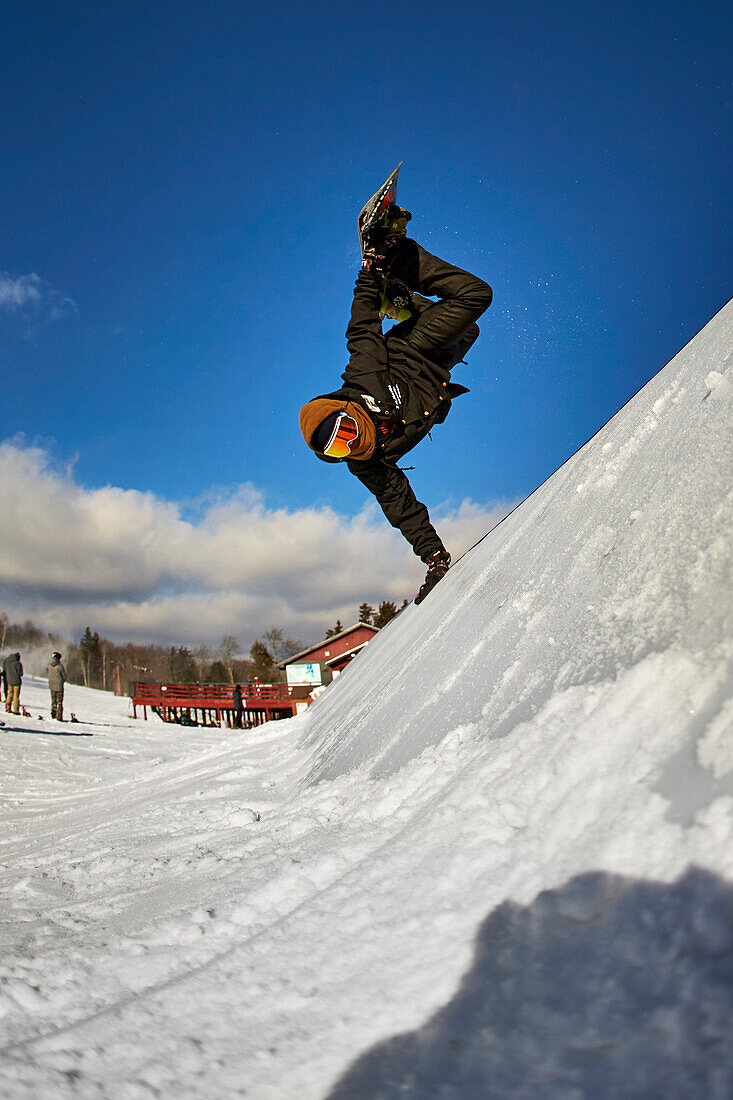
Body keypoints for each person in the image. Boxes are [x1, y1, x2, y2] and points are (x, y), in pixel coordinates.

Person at [299, 213, 492, 603]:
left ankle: (396, 263)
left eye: (345, 429)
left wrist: (369, 274)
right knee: (470, 328)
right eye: (339, 447)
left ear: (344, 410)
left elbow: (361, 329)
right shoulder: (367, 463)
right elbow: (399, 505)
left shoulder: (363, 378)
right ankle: (401, 299)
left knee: (475, 296)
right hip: (438, 372)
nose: (350, 442)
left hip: (415, 346)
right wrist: (434, 558)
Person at [46, 651, 68, 721]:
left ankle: (53, 714)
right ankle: (59, 717)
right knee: (59, 702)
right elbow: (64, 676)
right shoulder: (60, 666)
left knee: (53, 701)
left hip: (51, 685)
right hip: (59, 686)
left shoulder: (49, 664)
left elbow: (47, 671)